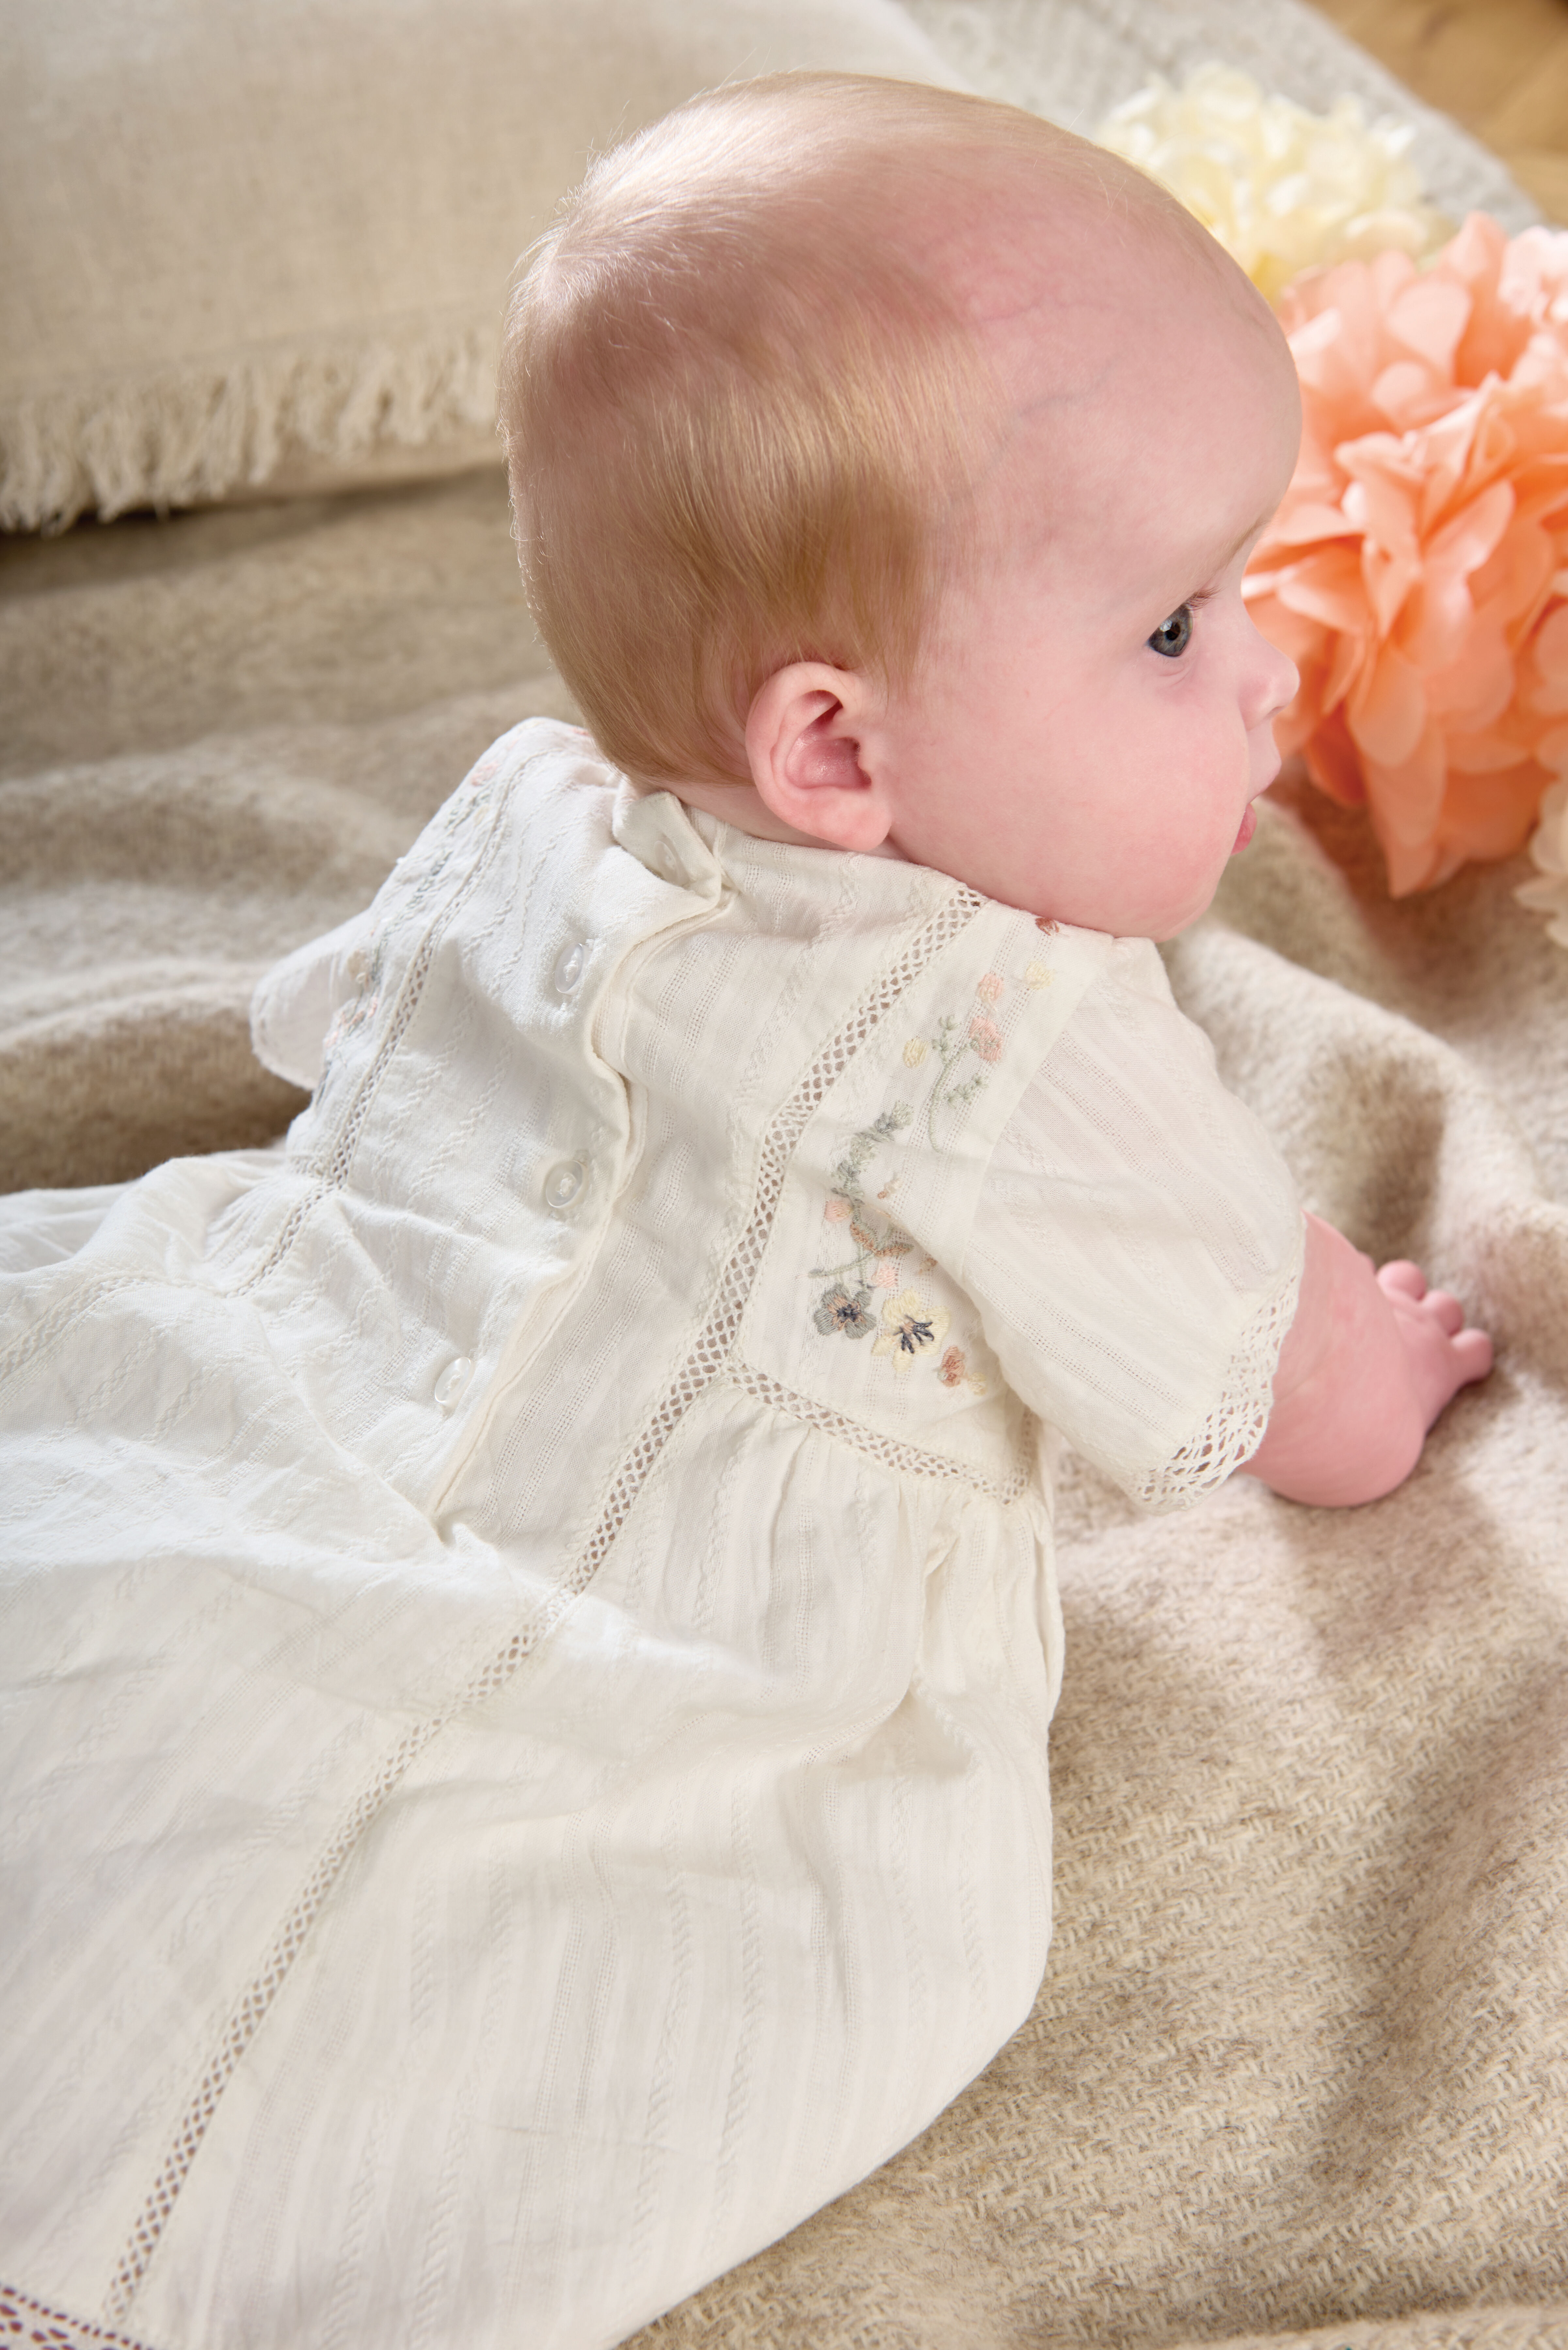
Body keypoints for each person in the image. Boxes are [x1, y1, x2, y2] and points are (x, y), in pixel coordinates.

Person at [0, 72, 1490, 2350]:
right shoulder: (1018, 1040)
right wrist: (1374, 1360)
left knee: (138, 1622)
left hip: (315, 1369)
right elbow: (1281, 1392)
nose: (1265, 669)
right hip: (689, 1637)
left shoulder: (536, 807)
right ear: (836, 755)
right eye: (1173, 630)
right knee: (405, 1926)